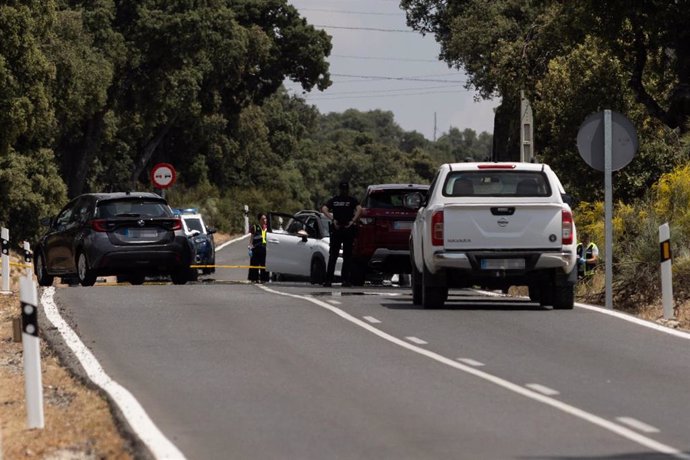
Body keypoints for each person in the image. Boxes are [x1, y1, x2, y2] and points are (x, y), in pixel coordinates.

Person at [321, 181, 362, 287]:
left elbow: (324, 209)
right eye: (343, 189)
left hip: (342, 229)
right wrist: (333, 219)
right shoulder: (348, 200)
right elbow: (359, 209)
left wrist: (352, 221)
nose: (344, 191)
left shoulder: (337, 200)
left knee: (344, 257)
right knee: (337, 256)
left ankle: (339, 280)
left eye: (344, 189)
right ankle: (335, 280)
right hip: (339, 228)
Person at [248, 212, 270, 283]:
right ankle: (254, 278)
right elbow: (251, 239)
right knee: (254, 265)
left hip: (264, 249)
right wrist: (250, 248)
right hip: (256, 249)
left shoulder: (267, 228)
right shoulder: (255, 227)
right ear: (259, 220)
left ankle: (264, 279)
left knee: (264, 265)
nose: (264, 220)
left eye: (265, 219)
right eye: (263, 219)